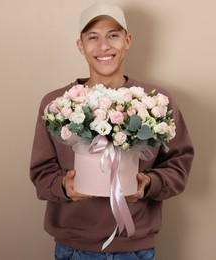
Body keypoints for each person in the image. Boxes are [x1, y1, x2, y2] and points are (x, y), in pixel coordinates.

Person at [30, 2, 194, 259]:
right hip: (73, 248)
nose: (104, 46)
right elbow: (41, 174)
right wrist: (64, 186)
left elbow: (179, 165)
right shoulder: (55, 104)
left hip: (136, 248)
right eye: (93, 37)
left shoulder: (158, 102)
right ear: (80, 45)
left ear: (127, 40)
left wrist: (148, 184)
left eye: (113, 35)